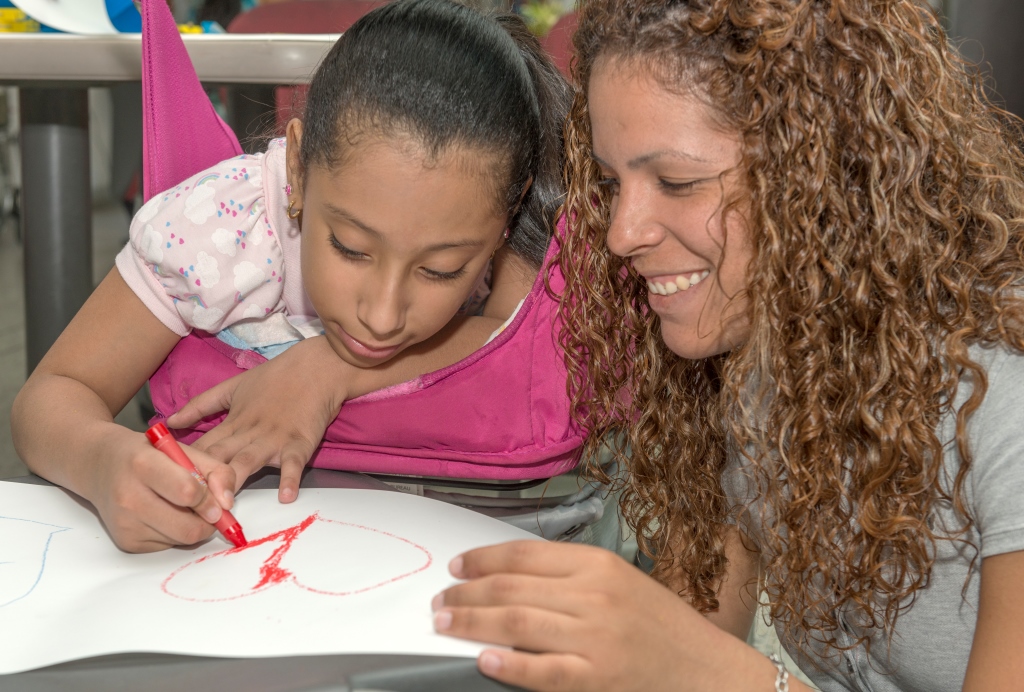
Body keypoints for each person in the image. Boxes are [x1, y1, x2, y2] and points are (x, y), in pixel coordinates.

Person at [429, 0, 1024, 690]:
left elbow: (698, 659)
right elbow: (696, 618)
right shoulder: (759, 346)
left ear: (827, 172)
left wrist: (728, 676)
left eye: (676, 183)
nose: (622, 234)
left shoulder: (1003, 389)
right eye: (613, 182)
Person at [11, 0, 571, 554]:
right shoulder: (222, 232)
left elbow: (519, 335)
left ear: (509, 213)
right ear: (298, 170)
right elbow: (51, 397)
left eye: (439, 270)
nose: (381, 314)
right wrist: (104, 460)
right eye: (350, 248)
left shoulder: (505, 218)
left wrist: (329, 368)